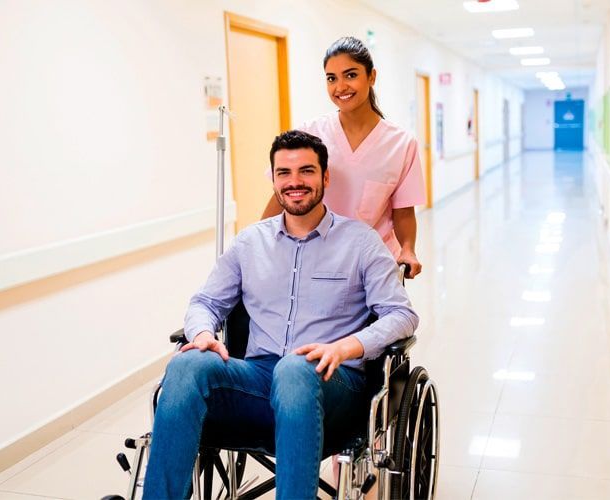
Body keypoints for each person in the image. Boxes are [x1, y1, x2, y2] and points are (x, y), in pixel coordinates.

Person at [142, 130, 418, 499]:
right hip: (258, 376)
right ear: (273, 180)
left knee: (294, 367)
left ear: (325, 178)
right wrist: (202, 334)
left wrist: (346, 347)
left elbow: (401, 315)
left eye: (306, 171)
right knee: (186, 364)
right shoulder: (249, 242)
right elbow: (205, 303)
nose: (295, 182)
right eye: (284, 173)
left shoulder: (360, 242)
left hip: (331, 381)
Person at [262, 36, 426, 278]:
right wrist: (257, 242)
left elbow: (403, 212)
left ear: (371, 77)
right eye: (331, 78)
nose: (340, 87)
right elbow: (283, 193)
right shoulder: (311, 133)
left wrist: (408, 250)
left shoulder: (401, 143)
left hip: (374, 265)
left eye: (351, 75)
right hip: (315, 261)